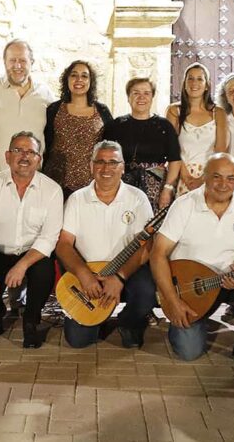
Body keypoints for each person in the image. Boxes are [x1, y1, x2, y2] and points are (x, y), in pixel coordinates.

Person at [149, 153, 234, 366]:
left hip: (228, 281)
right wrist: (172, 301)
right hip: (191, 287)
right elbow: (158, 254)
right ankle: (195, 320)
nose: (223, 184)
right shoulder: (184, 205)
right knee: (189, 352)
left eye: (230, 178)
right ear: (205, 177)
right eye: (217, 177)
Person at [0, 131, 63, 348]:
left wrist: (21, 265)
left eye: (31, 152)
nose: (24, 156)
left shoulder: (52, 190)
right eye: (18, 150)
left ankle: (31, 320)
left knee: (44, 271)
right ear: (7, 156)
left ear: (39, 159)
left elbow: (48, 238)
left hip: (31, 255)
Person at [55, 141, 155, 348]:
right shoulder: (77, 199)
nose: (106, 168)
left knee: (146, 292)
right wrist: (84, 275)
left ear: (123, 167)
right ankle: (94, 318)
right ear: (91, 166)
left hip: (128, 271)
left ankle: (129, 323)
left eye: (113, 162)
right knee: (79, 341)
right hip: (89, 273)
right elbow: (64, 244)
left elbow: (146, 247)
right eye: (100, 162)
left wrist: (119, 278)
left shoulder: (138, 198)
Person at [0, 39, 55, 175]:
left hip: (33, 180)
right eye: (12, 60)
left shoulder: (45, 94)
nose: (17, 65)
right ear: (4, 62)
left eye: (23, 60)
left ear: (32, 63)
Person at [104, 78, 182, 212]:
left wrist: (167, 189)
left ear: (152, 97)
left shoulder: (164, 126)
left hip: (156, 189)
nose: (141, 97)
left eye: (146, 93)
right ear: (128, 97)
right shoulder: (116, 125)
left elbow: (174, 160)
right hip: (122, 187)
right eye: (136, 93)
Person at [43, 60, 113, 198]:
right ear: (67, 80)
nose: (79, 80)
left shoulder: (102, 111)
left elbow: (110, 146)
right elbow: (46, 142)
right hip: (57, 182)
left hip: (92, 183)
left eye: (84, 76)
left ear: (90, 81)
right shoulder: (54, 109)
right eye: (74, 75)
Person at [165, 63, 228, 195]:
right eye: (191, 78)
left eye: (200, 79)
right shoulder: (174, 111)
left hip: (211, 174)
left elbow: (221, 150)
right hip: (182, 175)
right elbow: (171, 148)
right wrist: (185, 174)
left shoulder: (219, 113)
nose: (195, 83)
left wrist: (205, 177)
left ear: (207, 85)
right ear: (185, 83)